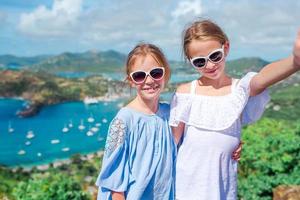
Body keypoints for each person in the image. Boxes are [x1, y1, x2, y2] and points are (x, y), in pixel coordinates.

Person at [170, 19, 300, 200]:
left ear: (226, 47)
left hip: (223, 185)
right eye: (200, 62)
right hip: (187, 185)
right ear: (191, 62)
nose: (209, 65)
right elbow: (171, 144)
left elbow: (263, 77)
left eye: (214, 56)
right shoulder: (185, 94)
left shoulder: (239, 90)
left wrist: (294, 61)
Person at [96, 43, 176, 200]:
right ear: (131, 81)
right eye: (139, 76)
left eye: (156, 73)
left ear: (165, 74)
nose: (149, 81)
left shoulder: (171, 113)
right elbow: (115, 183)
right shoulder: (123, 121)